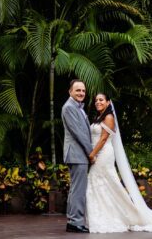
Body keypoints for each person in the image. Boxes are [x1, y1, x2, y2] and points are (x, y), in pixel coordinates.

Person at [86, 93, 152, 233]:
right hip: (98, 153)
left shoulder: (109, 117)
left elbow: (103, 139)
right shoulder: (99, 117)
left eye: (101, 100)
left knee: (105, 181)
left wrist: (92, 155)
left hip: (103, 154)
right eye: (96, 100)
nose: (98, 102)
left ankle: (129, 214)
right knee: (103, 183)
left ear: (108, 102)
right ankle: (103, 214)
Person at [61, 79, 93, 233]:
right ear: (70, 92)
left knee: (76, 188)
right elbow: (79, 133)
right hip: (77, 154)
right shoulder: (69, 107)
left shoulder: (77, 107)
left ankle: (73, 220)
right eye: (78, 90)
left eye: (83, 91)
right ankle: (75, 222)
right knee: (78, 189)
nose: (81, 93)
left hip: (78, 154)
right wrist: (91, 153)